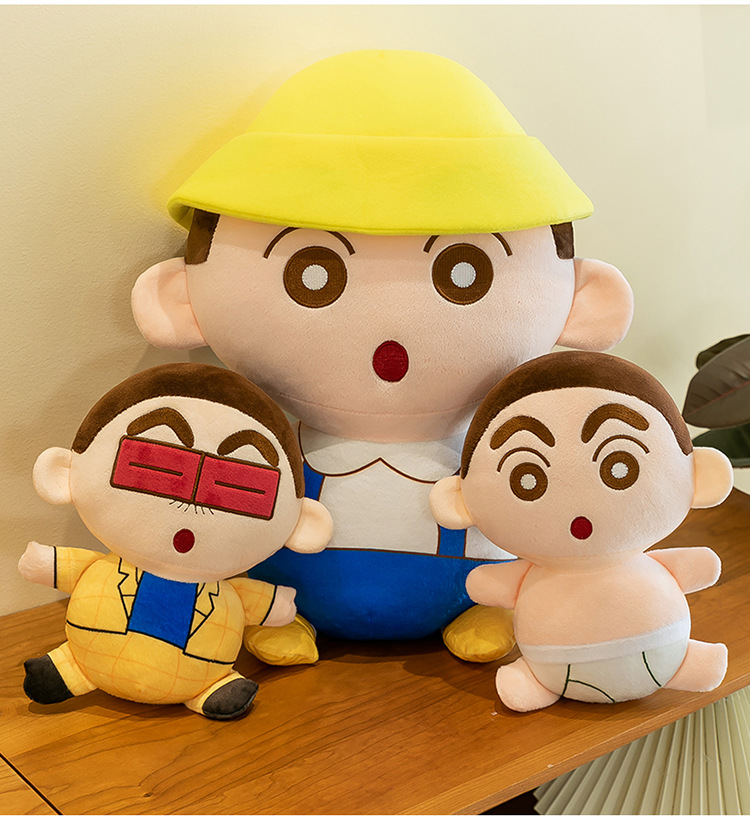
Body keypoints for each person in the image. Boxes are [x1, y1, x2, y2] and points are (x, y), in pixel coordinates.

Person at [131, 50, 634, 664]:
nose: (389, 342)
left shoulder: (509, 453)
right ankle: (277, 612)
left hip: (478, 587)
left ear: (584, 302)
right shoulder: (259, 453)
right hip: (286, 589)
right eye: (312, 273)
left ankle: (484, 607)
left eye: (465, 271)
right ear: (181, 299)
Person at [19, 363, 331, 718]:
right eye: (158, 469)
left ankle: (209, 688)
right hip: (89, 657)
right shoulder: (104, 567)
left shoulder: (225, 589)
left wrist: (277, 606)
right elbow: (70, 566)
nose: (192, 503)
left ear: (302, 525)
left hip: (199, 677)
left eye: (238, 487)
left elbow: (252, 602)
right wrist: (47, 563)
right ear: (63, 474)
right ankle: (71, 668)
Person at [430, 351, 732, 710]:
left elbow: (702, 566)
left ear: (701, 476)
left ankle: (684, 664)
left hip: (655, 655)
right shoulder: (535, 572)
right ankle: (538, 680)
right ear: (460, 501)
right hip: (555, 668)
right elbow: (483, 585)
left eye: (620, 466)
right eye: (528, 478)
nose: (580, 518)